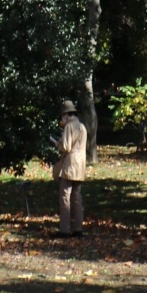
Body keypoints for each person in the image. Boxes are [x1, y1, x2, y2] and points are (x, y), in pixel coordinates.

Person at [53, 98, 88, 236]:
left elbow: (66, 147)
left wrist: (57, 143)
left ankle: (65, 229)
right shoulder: (82, 126)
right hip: (80, 165)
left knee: (65, 197)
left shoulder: (69, 126)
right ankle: (78, 229)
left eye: (63, 116)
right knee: (77, 198)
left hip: (70, 165)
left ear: (66, 115)